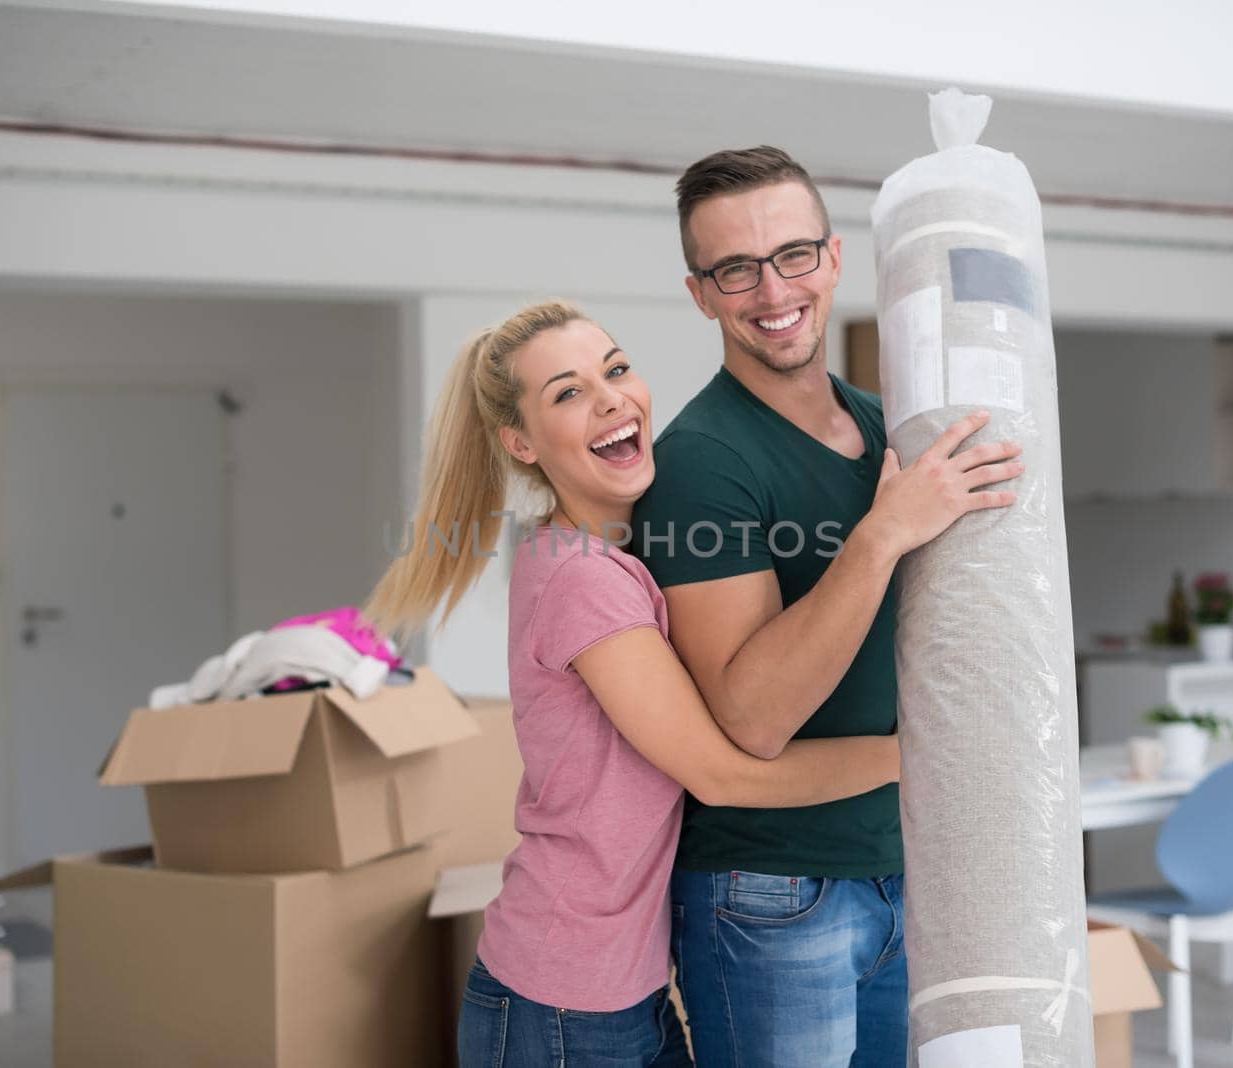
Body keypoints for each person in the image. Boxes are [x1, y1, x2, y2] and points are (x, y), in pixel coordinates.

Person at [364, 300, 905, 1067]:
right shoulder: (581, 580)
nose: (611, 396)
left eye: (615, 370)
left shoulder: (625, 558)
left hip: (619, 989)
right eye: (568, 392)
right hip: (561, 1003)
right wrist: (916, 757)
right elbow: (720, 774)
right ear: (520, 443)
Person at [630, 146, 1024, 1066]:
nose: (772, 290)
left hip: (901, 865)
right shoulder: (702, 461)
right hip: (770, 891)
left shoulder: (891, 428)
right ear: (701, 293)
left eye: (793, 255)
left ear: (835, 258)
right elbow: (753, 717)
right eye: (735, 268)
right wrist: (882, 534)